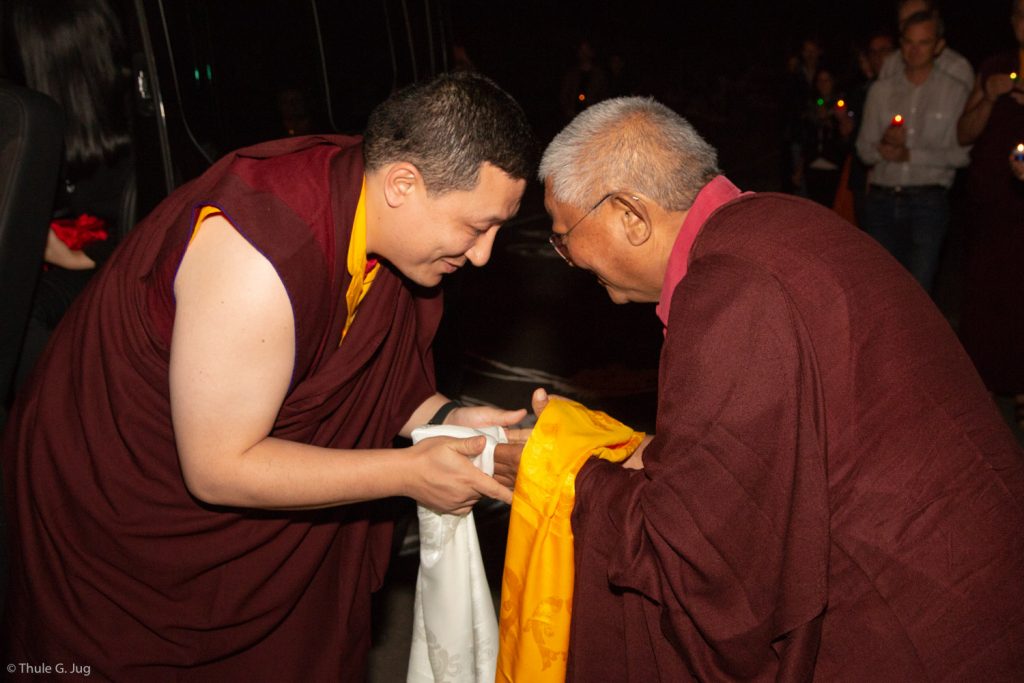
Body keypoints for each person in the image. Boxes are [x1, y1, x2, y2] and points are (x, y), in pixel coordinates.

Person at [2, 71, 535, 679]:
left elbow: (364, 379)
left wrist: (446, 418)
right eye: (476, 226)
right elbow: (217, 469)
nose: (483, 254)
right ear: (403, 184)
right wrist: (408, 474)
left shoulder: (378, 226)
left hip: (240, 510)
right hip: (123, 523)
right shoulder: (260, 255)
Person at [538, 96, 1024, 680]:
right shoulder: (783, 220)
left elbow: (710, 564)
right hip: (984, 572)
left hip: (920, 627)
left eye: (565, 236)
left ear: (630, 216)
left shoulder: (729, 291)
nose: (566, 257)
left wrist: (572, 481)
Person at [5, 0, 135, 395]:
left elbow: (147, 235)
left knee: (19, 317)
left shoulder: (135, 129)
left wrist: (73, 255)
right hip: (57, 250)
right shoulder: (38, 124)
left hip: (105, 266)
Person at [855, 9, 970, 293]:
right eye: (908, 41)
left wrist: (911, 155)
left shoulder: (953, 90)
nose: (914, 50)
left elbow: (961, 155)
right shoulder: (882, 91)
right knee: (881, 291)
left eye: (923, 42)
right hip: (882, 200)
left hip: (927, 203)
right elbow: (863, 150)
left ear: (939, 45)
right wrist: (883, 147)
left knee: (918, 292)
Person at [956, 0, 1024, 430]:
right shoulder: (996, 66)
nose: (1023, 22)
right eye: (1018, 13)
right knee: (986, 295)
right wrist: (988, 94)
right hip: (993, 205)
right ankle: (981, 388)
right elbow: (964, 133)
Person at [878, 0, 974, 91]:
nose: (911, 28)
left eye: (918, 19)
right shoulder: (891, 65)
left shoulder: (956, 68)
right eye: (904, 23)